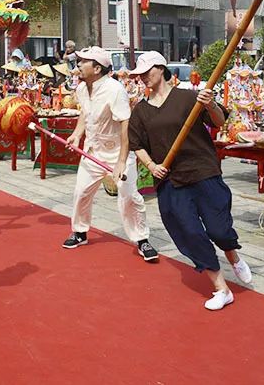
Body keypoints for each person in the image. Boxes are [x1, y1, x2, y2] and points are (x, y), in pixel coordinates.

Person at [127, 51, 252, 311]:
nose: (143, 78)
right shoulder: (140, 111)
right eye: (139, 75)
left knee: (218, 229)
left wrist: (210, 105)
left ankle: (232, 253)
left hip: (202, 170)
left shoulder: (189, 97)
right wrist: (152, 166)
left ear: (161, 69)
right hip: (170, 180)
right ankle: (221, 289)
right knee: (189, 232)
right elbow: (137, 144)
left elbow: (219, 121)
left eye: (146, 72)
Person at [61, 47, 157, 261]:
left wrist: (122, 161)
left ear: (97, 68)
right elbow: (84, 113)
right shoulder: (81, 89)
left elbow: (125, 124)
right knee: (81, 192)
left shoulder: (115, 90)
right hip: (93, 150)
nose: (78, 65)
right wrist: (77, 135)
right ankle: (80, 232)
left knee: (129, 195)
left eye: (83, 62)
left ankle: (142, 239)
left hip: (118, 152)